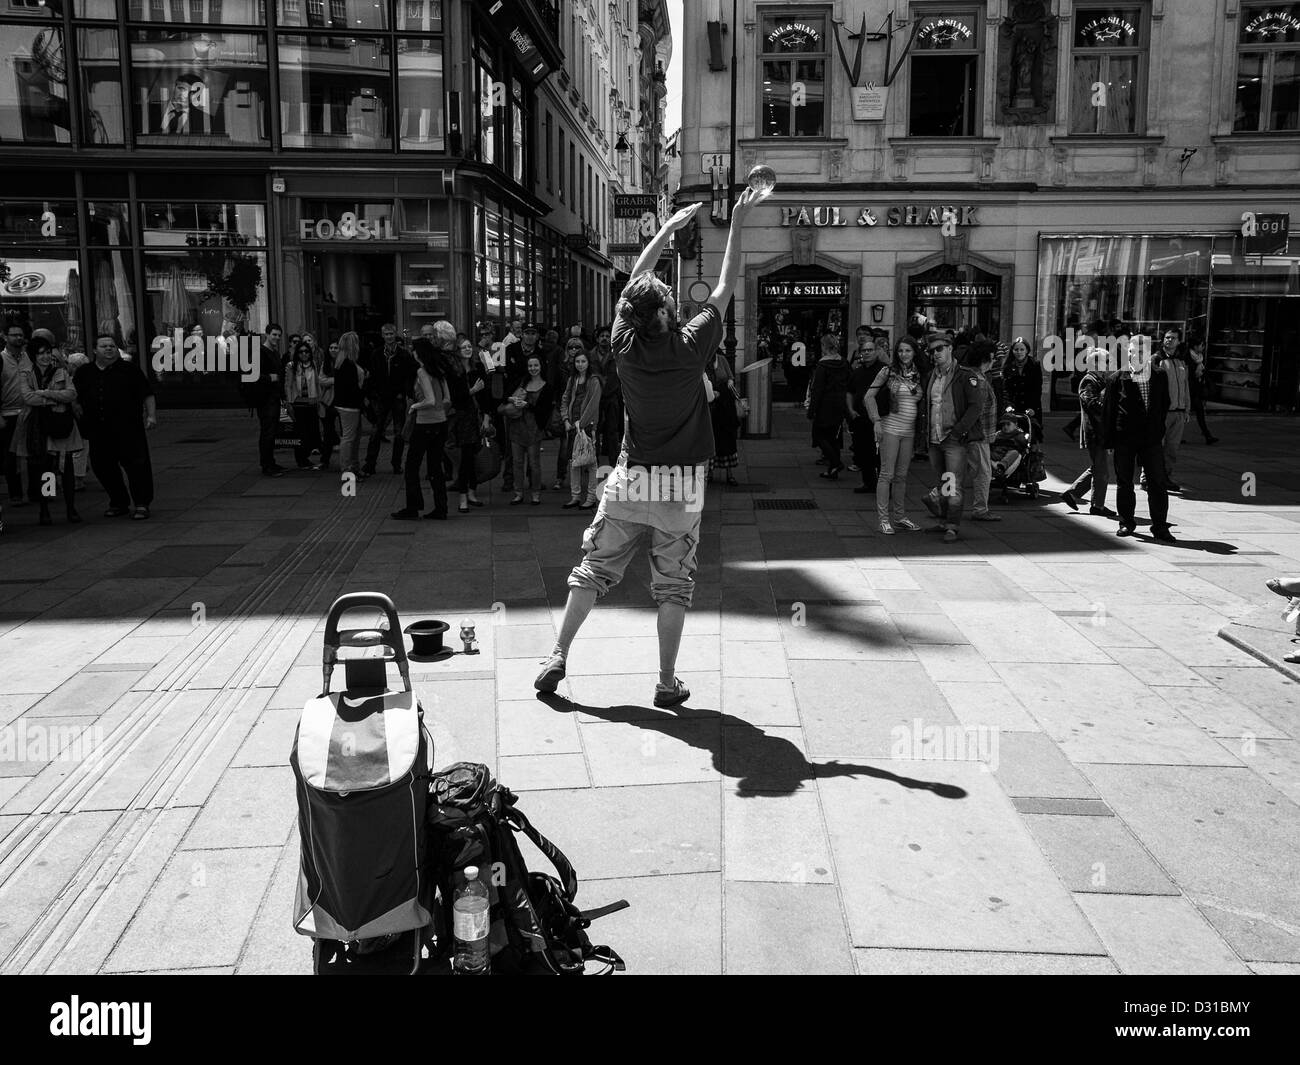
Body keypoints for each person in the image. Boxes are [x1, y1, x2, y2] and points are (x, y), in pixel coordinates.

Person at [536, 188, 755, 707]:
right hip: (682, 485)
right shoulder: (692, 344)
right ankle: (665, 680)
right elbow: (725, 284)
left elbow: (634, 281)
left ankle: (558, 655)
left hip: (632, 476)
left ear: (631, 317)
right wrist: (739, 219)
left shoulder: (623, 346)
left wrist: (667, 230)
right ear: (670, 309)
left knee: (593, 569)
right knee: (673, 585)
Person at [73, 333, 157, 520]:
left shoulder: (129, 370)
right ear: (95, 350)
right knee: (103, 467)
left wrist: (151, 416)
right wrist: (78, 412)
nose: (109, 349)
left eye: (112, 345)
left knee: (137, 466)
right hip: (98, 429)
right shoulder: (84, 372)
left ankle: (142, 503)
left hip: (128, 428)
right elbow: (74, 396)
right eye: (104, 346)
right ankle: (119, 501)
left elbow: (147, 393)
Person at [1104, 335, 1175, 542]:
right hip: (1124, 438)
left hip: (1151, 439)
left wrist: (1158, 430)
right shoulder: (1117, 378)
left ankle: (1160, 526)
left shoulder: (1160, 375)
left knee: (1158, 482)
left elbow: (1164, 405)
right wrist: (1108, 442)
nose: (1137, 355)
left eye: (1142, 352)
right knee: (1124, 482)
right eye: (1133, 351)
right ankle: (1126, 522)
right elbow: (1109, 412)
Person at [917, 334, 984, 543]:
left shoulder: (965, 375)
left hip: (953, 438)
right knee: (943, 481)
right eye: (932, 351)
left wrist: (959, 431)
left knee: (953, 483)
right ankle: (945, 521)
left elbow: (975, 407)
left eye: (939, 349)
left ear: (949, 348)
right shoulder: (930, 376)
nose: (935, 354)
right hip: (935, 438)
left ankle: (952, 526)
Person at [19, 335, 83, 524]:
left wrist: (45, 394)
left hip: (61, 424)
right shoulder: (26, 374)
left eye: (47, 353)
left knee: (67, 468)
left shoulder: (60, 372)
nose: (46, 357)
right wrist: (56, 398)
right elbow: (28, 398)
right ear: (33, 356)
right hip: (39, 426)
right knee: (45, 470)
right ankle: (45, 508)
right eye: (41, 354)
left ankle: (71, 508)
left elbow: (71, 394)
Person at [866, 338, 924, 535]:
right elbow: (869, 396)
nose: (903, 354)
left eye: (907, 350)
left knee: (901, 476)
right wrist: (876, 421)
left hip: (909, 432)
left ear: (914, 352)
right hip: (890, 428)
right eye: (900, 351)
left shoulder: (919, 374)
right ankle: (883, 519)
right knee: (886, 474)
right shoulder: (888, 372)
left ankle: (899, 517)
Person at [391, 338, 451, 520]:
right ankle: (441, 508)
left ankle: (413, 507)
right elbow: (447, 399)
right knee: (435, 468)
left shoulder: (422, 372)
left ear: (419, 353)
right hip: (440, 423)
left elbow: (430, 400)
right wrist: (440, 412)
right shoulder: (439, 371)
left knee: (411, 466)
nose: (412, 352)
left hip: (425, 424)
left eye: (413, 350)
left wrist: (414, 407)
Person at [1061, 347, 1113, 516]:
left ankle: (1074, 494)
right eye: (1106, 361)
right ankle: (1096, 506)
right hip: (1095, 431)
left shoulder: (1100, 380)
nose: (1108, 365)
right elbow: (1090, 403)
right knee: (1101, 470)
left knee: (1098, 468)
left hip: (1101, 430)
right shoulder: (1088, 380)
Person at [363, 323, 416, 476]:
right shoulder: (377, 354)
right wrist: (373, 394)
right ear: (382, 336)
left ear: (395, 334)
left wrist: (405, 392)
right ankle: (370, 463)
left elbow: (409, 375)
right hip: (381, 398)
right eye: (386, 334)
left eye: (391, 334)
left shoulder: (403, 354)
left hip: (398, 397)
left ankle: (396, 464)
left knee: (399, 432)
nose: (389, 337)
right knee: (376, 431)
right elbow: (372, 376)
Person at [502, 355, 553, 506]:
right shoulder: (521, 381)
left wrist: (527, 405)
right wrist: (512, 400)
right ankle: (518, 493)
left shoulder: (547, 386)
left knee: (534, 463)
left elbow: (544, 410)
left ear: (541, 366)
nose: (533, 368)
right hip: (517, 426)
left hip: (533, 428)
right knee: (517, 462)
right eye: (530, 365)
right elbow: (505, 396)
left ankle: (535, 493)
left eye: (536, 365)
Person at [447, 331, 486, 513]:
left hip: (475, 417)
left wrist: (486, 416)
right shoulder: (455, 372)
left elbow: (485, 396)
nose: (468, 349)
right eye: (464, 347)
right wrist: (472, 390)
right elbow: (455, 397)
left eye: (470, 346)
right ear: (457, 350)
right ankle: (464, 496)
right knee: (465, 458)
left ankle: (471, 492)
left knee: (472, 457)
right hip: (462, 418)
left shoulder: (477, 369)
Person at [963, 341, 1001, 522]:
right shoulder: (979, 381)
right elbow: (976, 410)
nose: (993, 362)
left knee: (960, 470)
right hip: (978, 434)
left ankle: (942, 502)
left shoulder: (972, 376)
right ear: (985, 360)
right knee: (983, 472)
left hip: (973, 433)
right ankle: (980, 509)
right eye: (992, 359)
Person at [560, 349, 602, 508]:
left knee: (591, 462)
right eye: (577, 361)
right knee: (574, 462)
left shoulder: (594, 381)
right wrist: (565, 419)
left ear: (589, 362)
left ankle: (591, 497)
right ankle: (575, 496)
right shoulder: (572, 379)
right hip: (572, 425)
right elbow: (565, 399)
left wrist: (582, 423)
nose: (580, 364)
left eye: (583, 361)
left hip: (588, 426)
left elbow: (593, 404)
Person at [1152, 328, 1191, 491]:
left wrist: (1187, 409)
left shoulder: (1181, 362)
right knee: (1156, 447)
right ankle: (1149, 477)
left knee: (1172, 449)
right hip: (1162, 413)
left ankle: (1165, 477)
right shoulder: (1156, 359)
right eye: (1167, 338)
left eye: (1173, 338)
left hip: (1179, 412)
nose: (1169, 340)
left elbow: (1186, 386)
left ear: (1179, 341)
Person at [808, 333, 849, 478]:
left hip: (825, 405)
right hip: (839, 403)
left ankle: (835, 462)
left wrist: (812, 410)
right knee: (834, 437)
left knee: (819, 436)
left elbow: (817, 390)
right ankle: (833, 469)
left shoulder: (822, 365)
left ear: (824, 346)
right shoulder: (844, 362)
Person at [847, 331, 883, 493]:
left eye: (870, 350)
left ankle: (883, 486)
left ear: (876, 351)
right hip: (860, 418)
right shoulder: (857, 372)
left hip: (879, 418)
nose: (867, 353)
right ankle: (868, 482)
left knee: (881, 455)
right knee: (863, 452)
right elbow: (849, 391)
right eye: (864, 350)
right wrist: (851, 410)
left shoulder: (884, 370)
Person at [2, 320, 34, 504]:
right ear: (4, 337)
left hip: (31, 411)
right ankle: (15, 494)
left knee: (40, 455)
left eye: (20, 334)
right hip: (9, 413)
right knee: (11, 457)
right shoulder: (1, 359)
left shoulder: (29, 356)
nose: (18, 338)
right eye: (14, 335)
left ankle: (45, 492)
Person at [285, 340, 327, 470]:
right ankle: (301, 459)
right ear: (297, 353)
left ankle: (307, 456)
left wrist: (319, 400)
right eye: (301, 351)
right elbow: (288, 385)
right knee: (300, 433)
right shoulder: (291, 366)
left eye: (306, 351)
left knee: (312, 431)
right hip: (298, 403)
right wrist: (288, 402)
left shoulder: (313, 365)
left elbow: (317, 383)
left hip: (311, 402)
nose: (304, 354)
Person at [553, 336, 588, 489]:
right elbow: (558, 388)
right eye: (571, 347)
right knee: (564, 446)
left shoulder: (586, 366)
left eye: (577, 347)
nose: (574, 350)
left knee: (582, 445)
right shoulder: (562, 367)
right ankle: (560, 477)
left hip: (582, 411)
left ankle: (580, 479)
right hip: (566, 409)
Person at [332, 332, 367, 478]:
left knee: (353, 437)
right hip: (350, 405)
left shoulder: (342, 362)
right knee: (349, 438)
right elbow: (353, 388)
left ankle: (353, 467)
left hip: (346, 404)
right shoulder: (348, 364)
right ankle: (347, 470)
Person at [254, 322, 285, 477]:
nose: (276, 338)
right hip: (265, 399)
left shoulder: (274, 352)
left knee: (271, 431)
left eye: (279, 335)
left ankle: (270, 461)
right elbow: (252, 376)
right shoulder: (260, 352)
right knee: (268, 431)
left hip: (273, 397)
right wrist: (269, 378)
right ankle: (266, 464)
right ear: (267, 334)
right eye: (274, 334)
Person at [706, 348, 741, 486]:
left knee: (727, 440)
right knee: (712, 439)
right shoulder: (703, 362)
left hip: (726, 406)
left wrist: (730, 382)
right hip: (712, 406)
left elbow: (730, 376)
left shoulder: (722, 360)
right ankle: (710, 473)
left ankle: (729, 474)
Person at [1186, 335, 1218, 445]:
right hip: (1188, 389)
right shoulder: (1187, 356)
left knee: (1199, 411)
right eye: (1201, 345)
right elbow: (1188, 374)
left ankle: (1207, 435)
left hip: (1195, 389)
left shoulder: (1199, 357)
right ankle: (1207, 434)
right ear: (1195, 346)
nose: (1203, 347)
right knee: (1183, 413)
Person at [989, 415, 1029, 482]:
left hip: (1006, 455)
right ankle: (991, 464)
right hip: (995, 453)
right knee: (985, 450)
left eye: (1008, 424)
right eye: (1003, 425)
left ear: (1016, 425)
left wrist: (1025, 440)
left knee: (1015, 453)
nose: (1005, 426)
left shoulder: (1018, 434)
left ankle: (1000, 468)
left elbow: (1024, 444)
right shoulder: (998, 434)